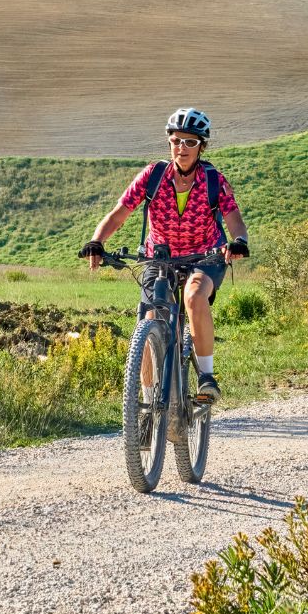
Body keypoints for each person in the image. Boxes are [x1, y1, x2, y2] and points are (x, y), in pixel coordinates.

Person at [81, 107, 247, 402]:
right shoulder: (153, 175)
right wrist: (97, 240)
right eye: (176, 140)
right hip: (159, 257)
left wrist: (239, 240)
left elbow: (232, 215)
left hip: (205, 256)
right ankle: (145, 406)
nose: (181, 148)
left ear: (202, 146)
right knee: (148, 318)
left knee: (194, 297)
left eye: (190, 142)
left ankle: (207, 377)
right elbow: (119, 214)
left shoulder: (213, 180)